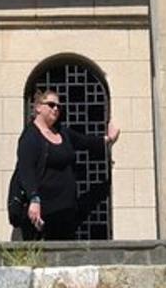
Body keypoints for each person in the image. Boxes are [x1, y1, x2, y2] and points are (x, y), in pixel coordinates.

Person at [14, 88, 120, 240]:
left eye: (58, 106)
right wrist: (34, 199)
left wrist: (108, 139)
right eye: (51, 105)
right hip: (43, 213)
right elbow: (26, 170)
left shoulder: (62, 132)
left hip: (66, 211)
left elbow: (85, 142)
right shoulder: (30, 137)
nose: (56, 108)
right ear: (38, 107)